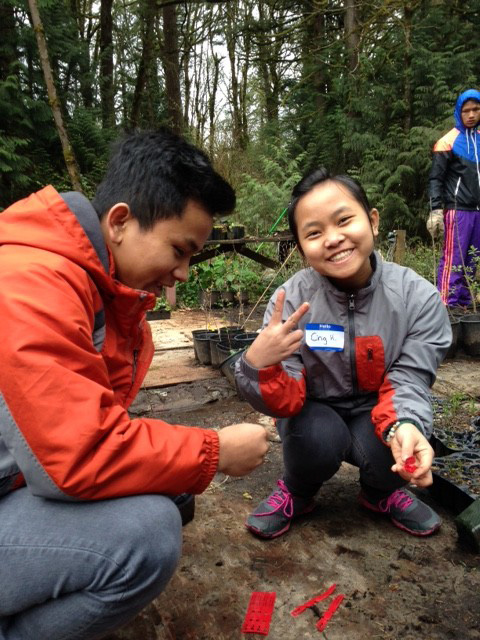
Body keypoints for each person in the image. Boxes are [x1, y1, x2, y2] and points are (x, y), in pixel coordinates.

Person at [0, 128, 269, 639]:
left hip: (13, 478)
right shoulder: (30, 282)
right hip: (25, 480)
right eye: (179, 250)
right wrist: (213, 451)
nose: (185, 273)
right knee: (147, 535)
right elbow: (76, 457)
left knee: (165, 489)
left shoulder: (91, 284)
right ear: (120, 221)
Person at [235, 167, 451, 540]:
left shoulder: (418, 298)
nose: (333, 239)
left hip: (376, 408)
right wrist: (259, 364)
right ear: (301, 247)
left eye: (344, 221)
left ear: (372, 221)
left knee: (392, 443)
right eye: (314, 233)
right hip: (314, 409)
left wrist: (407, 424)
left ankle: (381, 493)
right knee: (314, 439)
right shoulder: (291, 301)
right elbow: (283, 397)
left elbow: (410, 379)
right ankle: (298, 493)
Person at [428, 88, 480, 307]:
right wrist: (436, 210)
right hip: (457, 210)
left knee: (472, 260)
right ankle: (446, 305)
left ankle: (467, 304)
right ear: (459, 112)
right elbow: (435, 179)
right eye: (466, 110)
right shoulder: (447, 141)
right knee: (454, 259)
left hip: (478, 210)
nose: (471, 115)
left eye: (476, 109)